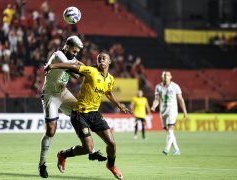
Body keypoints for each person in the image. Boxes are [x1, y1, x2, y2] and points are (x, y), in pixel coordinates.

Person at [45, 52, 131, 180]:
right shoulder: (91, 71)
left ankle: (111, 165)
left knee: (112, 143)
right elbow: (72, 68)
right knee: (88, 148)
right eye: (99, 58)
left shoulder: (110, 79)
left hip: (95, 114)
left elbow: (108, 93)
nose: (101, 60)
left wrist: (119, 105)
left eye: (104, 58)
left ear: (109, 62)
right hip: (80, 114)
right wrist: (53, 65)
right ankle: (63, 155)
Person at [38, 35, 104, 178]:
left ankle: (86, 151)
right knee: (51, 131)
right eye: (74, 50)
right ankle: (42, 164)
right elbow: (73, 67)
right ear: (67, 46)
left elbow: (77, 74)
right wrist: (82, 67)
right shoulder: (59, 56)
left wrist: (85, 70)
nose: (75, 53)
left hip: (63, 92)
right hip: (50, 95)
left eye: (77, 52)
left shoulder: (70, 58)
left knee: (83, 113)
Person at [150, 71, 187, 155]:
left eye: (166, 75)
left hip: (172, 110)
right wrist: (153, 106)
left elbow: (180, 99)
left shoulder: (175, 86)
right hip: (163, 111)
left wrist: (184, 111)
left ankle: (167, 149)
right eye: (163, 75)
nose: (165, 77)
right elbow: (157, 99)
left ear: (170, 77)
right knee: (168, 131)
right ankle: (177, 150)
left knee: (170, 129)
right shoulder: (158, 87)